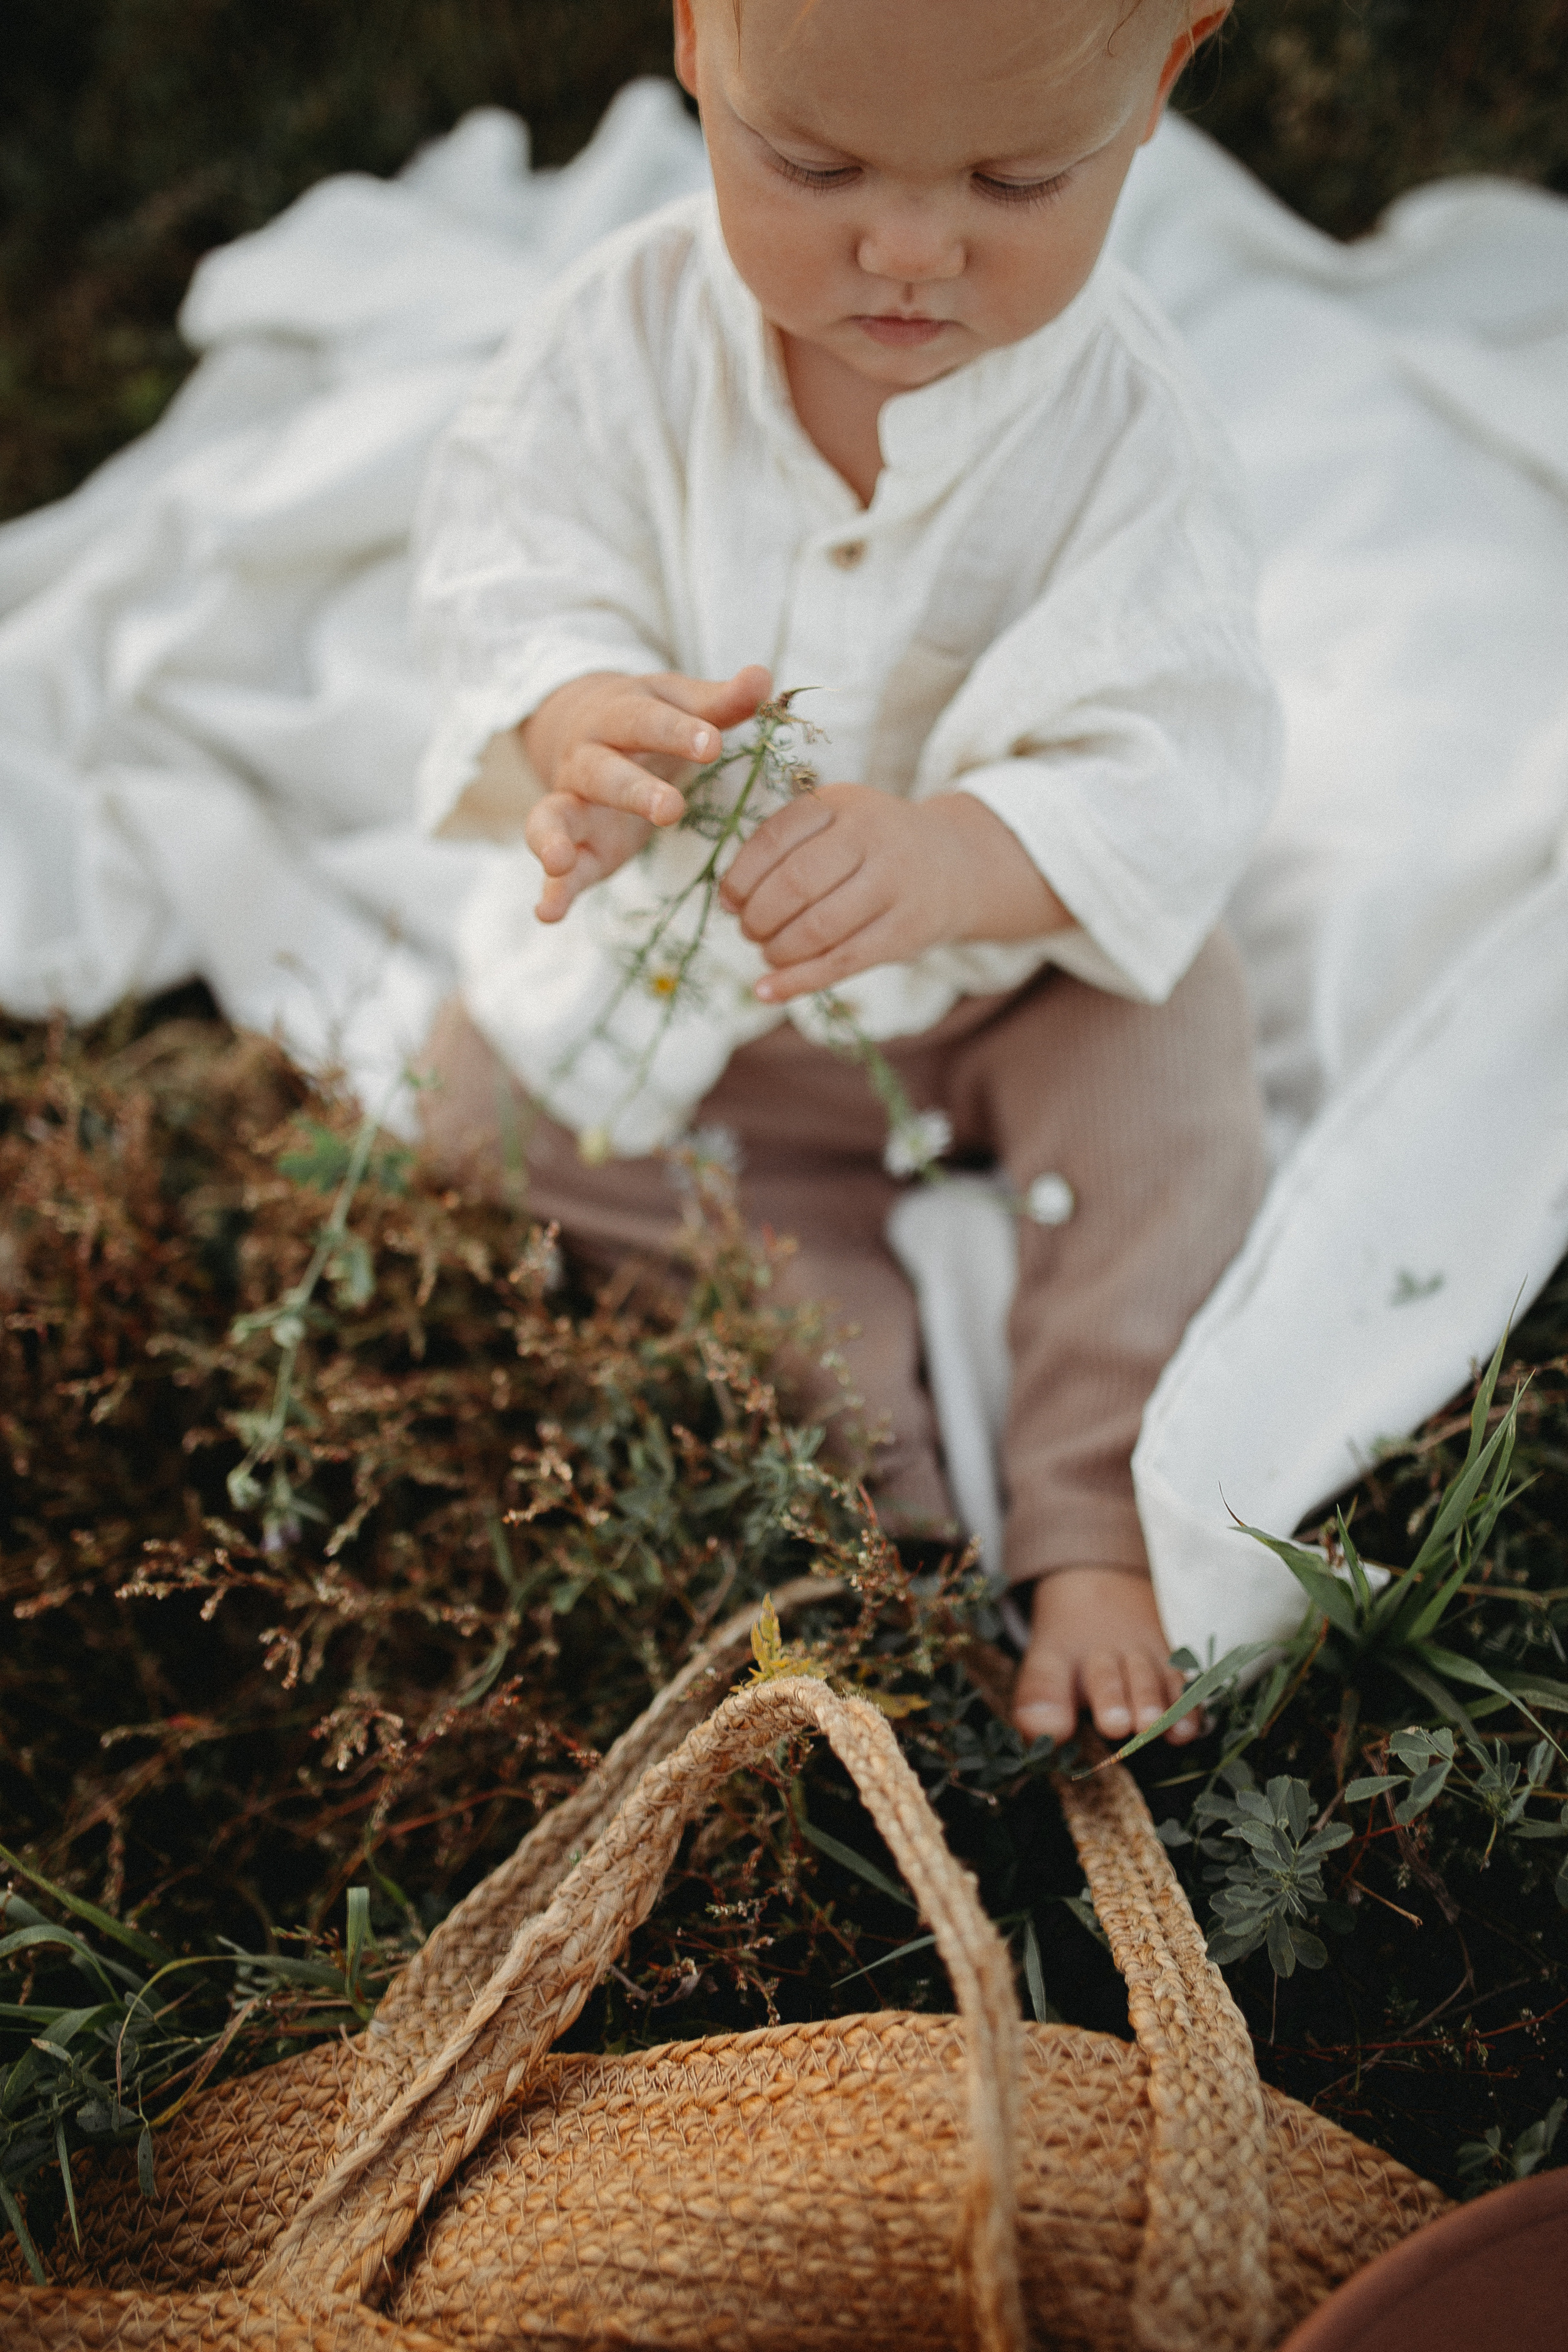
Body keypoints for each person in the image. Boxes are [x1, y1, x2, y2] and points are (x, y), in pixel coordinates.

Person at [412, 0, 1277, 1749]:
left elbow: (1170, 754)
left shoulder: (1128, 435)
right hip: (707, 987)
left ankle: (1093, 1499)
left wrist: (960, 859)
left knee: (1179, 1058)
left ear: (1161, 84)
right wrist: (581, 725)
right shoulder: (625, 338)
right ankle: (853, 1435)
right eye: (809, 165)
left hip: (1010, 989)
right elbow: (505, 575)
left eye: (1016, 179)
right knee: (472, 1092)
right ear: (695, 47)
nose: (904, 247)